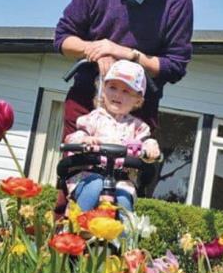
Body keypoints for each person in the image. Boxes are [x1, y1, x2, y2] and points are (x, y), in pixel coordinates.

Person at [54, 0, 194, 135]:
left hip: (138, 111)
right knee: (77, 169)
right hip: (86, 100)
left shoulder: (177, 1)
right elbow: (63, 39)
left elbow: (175, 67)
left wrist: (126, 54)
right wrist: (98, 52)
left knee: (125, 170)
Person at [63, 60, 161, 214]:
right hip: (89, 175)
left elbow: (146, 142)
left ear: (138, 99)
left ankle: (123, 236)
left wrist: (150, 148)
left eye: (126, 91)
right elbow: (75, 136)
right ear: (103, 89)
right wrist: (83, 140)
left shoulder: (137, 127)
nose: (117, 94)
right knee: (95, 186)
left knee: (123, 200)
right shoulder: (93, 119)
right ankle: (78, 226)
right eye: (113, 87)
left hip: (121, 180)